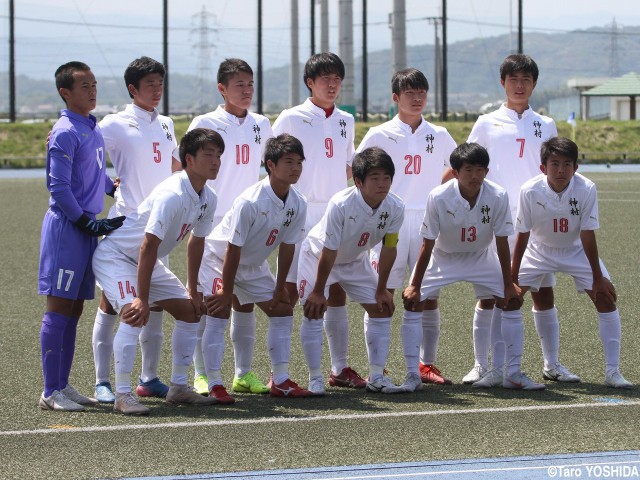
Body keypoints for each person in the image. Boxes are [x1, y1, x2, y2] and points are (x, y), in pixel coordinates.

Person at [92, 128, 222, 415]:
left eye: (218, 155)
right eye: (208, 155)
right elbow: (147, 246)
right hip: (116, 257)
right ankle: (123, 395)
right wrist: (141, 297)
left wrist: (195, 289)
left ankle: (178, 388)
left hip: (145, 261)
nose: (215, 161)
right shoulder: (172, 194)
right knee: (133, 313)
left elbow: (196, 242)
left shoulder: (208, 197)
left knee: (190, 311)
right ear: (188, 159)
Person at [402, 143, 544, 391]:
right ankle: (413, 375)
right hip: (443, 257)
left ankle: (509, 372)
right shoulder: (438, 196)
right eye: (468, 170)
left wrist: (509, 283)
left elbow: (502, 242)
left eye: (480, 170)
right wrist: (414, 285)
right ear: (455, 172)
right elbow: (427, 243)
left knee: (511, 301)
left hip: (481, 255)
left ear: (487, 172)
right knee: (413, 302)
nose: (475, 176)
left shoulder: (498, 195)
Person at [463, 54, 563, 387]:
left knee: (542, 292)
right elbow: (468, 165)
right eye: (513, 80)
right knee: (491, 293)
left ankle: (552, 364)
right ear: (503, 82)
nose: (519, 86)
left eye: (526, 80)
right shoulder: (486, 122)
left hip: (537, 219)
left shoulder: (546, 124)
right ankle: (483, 366)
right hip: (496, 219)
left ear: (534, 84)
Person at [356, 68, 456, 389]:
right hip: (390, 221)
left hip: (427, 222)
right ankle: (378, 369)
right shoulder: (379, 134)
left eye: (422, 93)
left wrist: (435, 195)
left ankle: (424, 365)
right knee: (382, 293)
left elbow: (456, 167)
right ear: (396, 98)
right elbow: (360, 173)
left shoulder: (438, 134)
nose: (417, 99)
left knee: (426, 296)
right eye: (410, 93)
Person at [272, 52, 365, 390]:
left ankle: (339, 368)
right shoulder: (291, 117)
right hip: (300, 211)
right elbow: (271, 164)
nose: (332, 84)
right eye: (325, 78)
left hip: (335, 213)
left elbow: (347, 164)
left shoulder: (345, 119)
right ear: (310, 83)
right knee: (291, 292)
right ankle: (279, 373)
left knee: (335, 290)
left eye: (337, 78)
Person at [182, 58, 274, 395]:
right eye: (240, 85)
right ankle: (202, 374)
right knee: (208, 302)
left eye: (250, 84)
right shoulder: (205, 122)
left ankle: (243, 374)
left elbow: (273, 168)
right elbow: (185, 167)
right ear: (222, 89)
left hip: (250, 225)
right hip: (212, 224)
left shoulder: (263, 124)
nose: (247, 91)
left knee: (243, 300)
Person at [511, 137, 633, 389]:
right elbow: (522, 234)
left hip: (575, 249)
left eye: (567, 164)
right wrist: (512, 279)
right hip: (538, 250)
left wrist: (598, 278)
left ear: (576, 168)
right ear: (543, 167)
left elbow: (587, 233)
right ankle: (540, 366)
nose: (561, 170)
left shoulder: (586, 188)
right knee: (511, 299)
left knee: (606, 298)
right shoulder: (529, 190)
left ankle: (613, 372)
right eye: (554, 164)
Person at [92, 56, 180, 404]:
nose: (156, 90)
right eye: (149, 85)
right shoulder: (113, 124)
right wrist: (108, 187)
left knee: (154, 304)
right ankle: (102, 382)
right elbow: (86, 155)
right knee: (114, 306)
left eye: (160, 83)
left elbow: (174, 166)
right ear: (133, 89)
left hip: (160, 227)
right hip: (126, 227)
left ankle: (149, 377)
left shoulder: (168, 123)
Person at [38, 61, 124, 411]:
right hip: (67, 229)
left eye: (94, 84)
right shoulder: (64, 132)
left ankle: (62, 385)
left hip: (86, 227)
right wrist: (85, 223)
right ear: (66, 92)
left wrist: (111, 186)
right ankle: (50, 391)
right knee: (59, 308)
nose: (92, 90)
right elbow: (58, 187)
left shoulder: (91, 127)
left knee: (74, 309)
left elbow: (93, 173)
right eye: (84, 86)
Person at [200, 133, 309, 400]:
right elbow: (232, 248)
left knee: (282, 309)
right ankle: (214, 383)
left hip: (252, 264)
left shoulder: (299, 202)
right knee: (218, 312)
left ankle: (279, 380)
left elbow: (287, 246)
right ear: (270, 165)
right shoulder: (250, 201)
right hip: (218, 260)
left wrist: (281, 285)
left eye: (299, 162)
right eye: (288, 162)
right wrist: (226, 290)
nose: (295, 168)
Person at [298, 147, 405, 395]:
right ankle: (316, 378)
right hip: (319, 256)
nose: (382, 184)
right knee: (314, 310)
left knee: (382, 308)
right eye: (375, 178)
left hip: (355, 259)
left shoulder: (396, 206)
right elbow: (329, 250)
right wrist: (317, 291)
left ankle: (377, 377)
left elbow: (389, 249)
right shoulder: (341, 203)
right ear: (358, 182)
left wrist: (382, 289)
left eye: (387, 178)